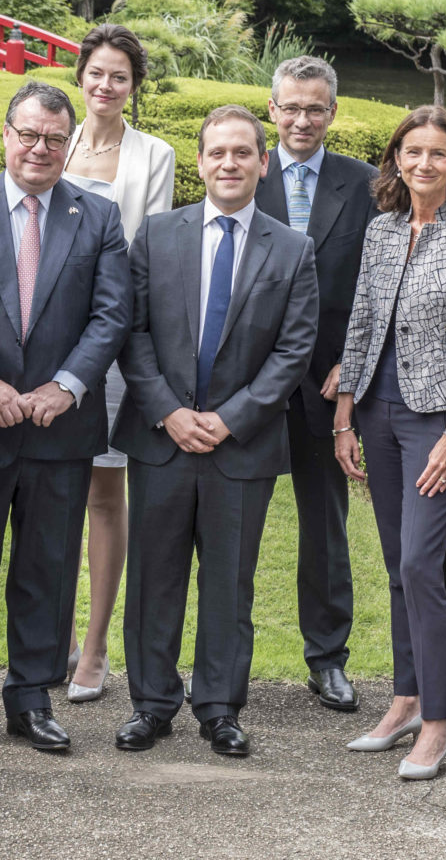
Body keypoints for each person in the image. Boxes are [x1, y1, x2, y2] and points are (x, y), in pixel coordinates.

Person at [111, 105, 316, 759]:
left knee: (230, 582)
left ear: (263, 162)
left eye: (242, 152)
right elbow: (132, 331)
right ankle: (151, 704)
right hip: (161, 439)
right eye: (218, 152)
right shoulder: (156, 235)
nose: (230, 163)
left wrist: (231, 418)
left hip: (242, 444)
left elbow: (294, 350)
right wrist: (168, 411)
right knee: (153, 577)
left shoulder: (292, 249)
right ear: (199, 162)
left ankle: (220, 707)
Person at [0, 81, 129, 753]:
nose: (40, 148)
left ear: (68, 144)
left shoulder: (98, 216)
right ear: (5, 135)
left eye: (54, 138)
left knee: (47, 570)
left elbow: (112, 314)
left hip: (60, 427)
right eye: (29, 134)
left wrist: (67, 386)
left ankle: (30, 698)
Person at [332, 106, 446, 781]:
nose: (424, 164)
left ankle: (436, 721)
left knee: (422, 566)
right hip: (376, 410)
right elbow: (362, 319)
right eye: (412, 152)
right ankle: (404, 699)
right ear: (396, 159)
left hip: (438, 420)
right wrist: (344, 414)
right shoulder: (381, 229)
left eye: (438, 153)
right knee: (398, 564)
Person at [253, 55, 378, 713]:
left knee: (326, 528)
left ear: (333, 112)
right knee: (230, 525)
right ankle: (223, 663)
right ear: (272, 109)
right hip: (247, 384)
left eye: (315, 109)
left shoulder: (366, 185)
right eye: (291, 107)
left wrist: (352, 364)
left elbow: (378, 285)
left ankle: (327, 659)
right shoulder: (243, 170)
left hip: (329, 384)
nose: (302, 120)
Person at [57, 23, 175, 704]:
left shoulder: (153, 155)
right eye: (96, 72)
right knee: (51, 492)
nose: (105, 85)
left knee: (105, 492)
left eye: (119, 77)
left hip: (111, 340)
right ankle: (52, 635)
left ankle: (96, 644)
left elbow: (145, 253)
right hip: (44, 342)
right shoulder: (53, 138)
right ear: (80, 76)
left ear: (134, 86)